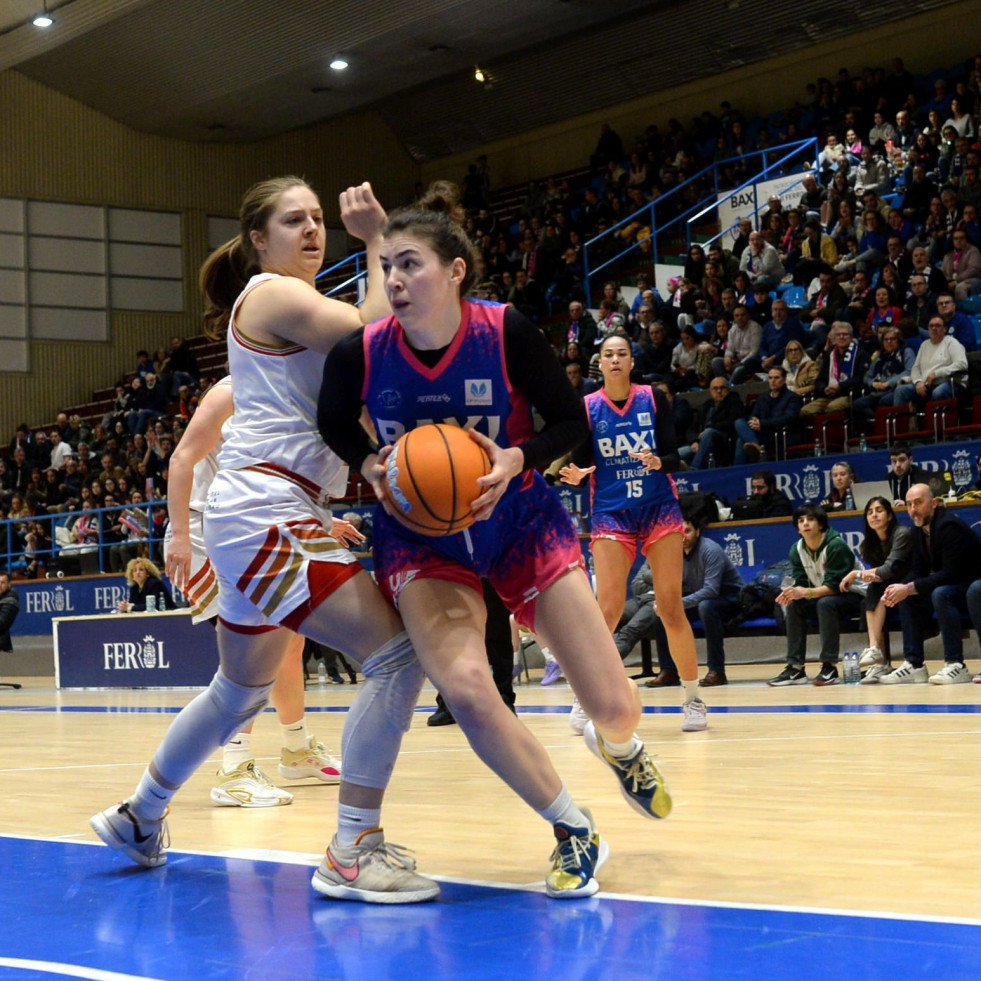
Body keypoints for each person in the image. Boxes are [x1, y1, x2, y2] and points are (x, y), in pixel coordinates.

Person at [91, 177, 442, 905]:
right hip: (264, 507)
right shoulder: (272, 294)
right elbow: (374, 336)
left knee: (237, 689)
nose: (313, 229)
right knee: (398, 655)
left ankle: (139, 815)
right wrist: (378, 238)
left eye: (318, 219)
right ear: (258, 239)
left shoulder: (296, 305)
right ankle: (352, 849)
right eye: (294, 220)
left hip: (268, 508)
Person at [319, 181, 673, 901]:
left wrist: (519, 456)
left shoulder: (503, 329)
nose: (394, 278)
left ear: (454, 271)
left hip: (519, 522)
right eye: (387, 266)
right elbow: (331, 420)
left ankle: (618, 743)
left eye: (410, 264)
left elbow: (569, 424)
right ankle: (574, 829)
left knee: (614, 703)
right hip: (422, 543)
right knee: (468, 686)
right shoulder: (362, 350)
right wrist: (364, 462)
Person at [164, 375, 348, 807]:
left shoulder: (288, 392)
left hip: (252, 522)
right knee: (252, 648)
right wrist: (178, 535)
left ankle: (297, 747)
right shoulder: (232, 390)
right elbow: (181, 460)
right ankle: (234, 767)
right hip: (205, 525)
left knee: (290, 640)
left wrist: (320, 523)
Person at [559, 334, 705, 732]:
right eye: (609, 354)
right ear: (600, 364)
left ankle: (693, 698)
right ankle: (584, 697)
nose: (616, 359)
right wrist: (575, 475)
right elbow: (580, 464)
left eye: (622, 353)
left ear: (631, 361)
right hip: (611, 512)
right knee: (605, 611)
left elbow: (675, 456)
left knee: (671, 607)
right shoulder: (588, 408)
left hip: (658, 507)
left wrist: (659, 460)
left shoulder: (654, 398)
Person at [881, 484, 981, 685]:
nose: (913, 509)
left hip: (972, 583)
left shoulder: (949, 525)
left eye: (918, 503)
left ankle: (955, 664)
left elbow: (949, 573)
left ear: (934, 503)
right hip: (956, 586)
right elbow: (918, 570)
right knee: (908, 596)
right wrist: (898, 589)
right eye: (909, 504)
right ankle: (914, 664)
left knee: (940, 593)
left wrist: (909, 588)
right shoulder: (918, 531)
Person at [768, 504, 862, 687]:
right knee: (795, 605)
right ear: (797, 528)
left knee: (825, 603)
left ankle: (829, 666)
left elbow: (836, 586)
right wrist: (792, 593)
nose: (805, 524)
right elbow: (801, 582)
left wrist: (807, 592)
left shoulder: (836, 545)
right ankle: (795, 668)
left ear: (821, 524)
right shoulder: (797, 549)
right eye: (801, 521)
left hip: (853, 594)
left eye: (810, 519)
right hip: (822, 595)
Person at [645, 517, 743, 688]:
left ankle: (717, 671)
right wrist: (665, 603)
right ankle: (669, 671)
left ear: (698, 531)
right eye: (678, 532)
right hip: (700, 600)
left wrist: (678, 604)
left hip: (730, 599)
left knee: (706, 607)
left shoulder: (710, 549)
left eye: (687, 531)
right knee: (663, 613)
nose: (683, 536)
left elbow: (711, 590)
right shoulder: (673, 553)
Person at [839, 497, 913, 683]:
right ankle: (879, 660)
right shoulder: (869, 544)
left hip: (911, 584)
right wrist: (867, 576)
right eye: (870, 512)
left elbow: (889, 570)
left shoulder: (902, 533)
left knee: (878, 590)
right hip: (888, 589)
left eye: (879, 510)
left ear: (889, 515)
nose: (874, 515)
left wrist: (855, 573)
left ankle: (876, 654)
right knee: (872, 593)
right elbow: (879, 576)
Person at [891, 314, 967, 408]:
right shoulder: (924, 345)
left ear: (944, 329)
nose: (934, 328)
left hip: (950, 383)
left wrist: (936, 373)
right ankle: (899, 422)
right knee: (901, 391)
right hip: (927, 385)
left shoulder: (952, 343)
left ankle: (941, 421)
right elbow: (915, 369)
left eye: (938, 325)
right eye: (931, 326)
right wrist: (918, 382)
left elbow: (962, 364)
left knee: (938, 392)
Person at [732, 366, 802, 463]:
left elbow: (788, 418)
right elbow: (754, 414)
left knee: (742, 440)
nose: (772, 381)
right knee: (739, 422)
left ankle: (740, 470)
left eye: (776, 378)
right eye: (770, 378)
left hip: (781, 434)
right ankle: (759, 449)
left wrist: (762, 423)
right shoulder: (763, 397)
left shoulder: (792, 397)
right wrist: (754, 422)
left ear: (784, 379)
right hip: (764, 433)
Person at [801, 321, 869, 417]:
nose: (841, 337)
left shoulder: (860, 354)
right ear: (835, 338)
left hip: (848, 394)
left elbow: (861, 378)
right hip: (828, 395)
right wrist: (824, 389)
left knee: (833, 407)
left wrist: (840, 386)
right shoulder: (830, 356)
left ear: (851, 337)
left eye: (845, 334)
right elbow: (819, 380)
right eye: (838, 335)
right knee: (806, 410)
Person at [852, 328, 915, 422]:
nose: (889, 342)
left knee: (884, 401)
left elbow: (909, 371)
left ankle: (886, 424)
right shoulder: (879, 356)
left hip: (894, 389)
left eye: (892, 339)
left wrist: (888, 383)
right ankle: (879, 421)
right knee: (857, 404)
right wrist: (873, 383)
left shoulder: (906, 352)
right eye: (886, 339)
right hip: (877, 391)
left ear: (899, 341)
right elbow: (867, 376)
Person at [887, 443, 932, 507]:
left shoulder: (922, 476)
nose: (898, 465)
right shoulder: (888, 479)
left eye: (902, 460)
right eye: (894, 461)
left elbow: (927, 502)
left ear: (910, 460)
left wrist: (907, 504)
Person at [0, 570, 19, 654]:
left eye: (2, 582)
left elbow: (2, 623)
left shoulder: (10, 601)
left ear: (9, 584)